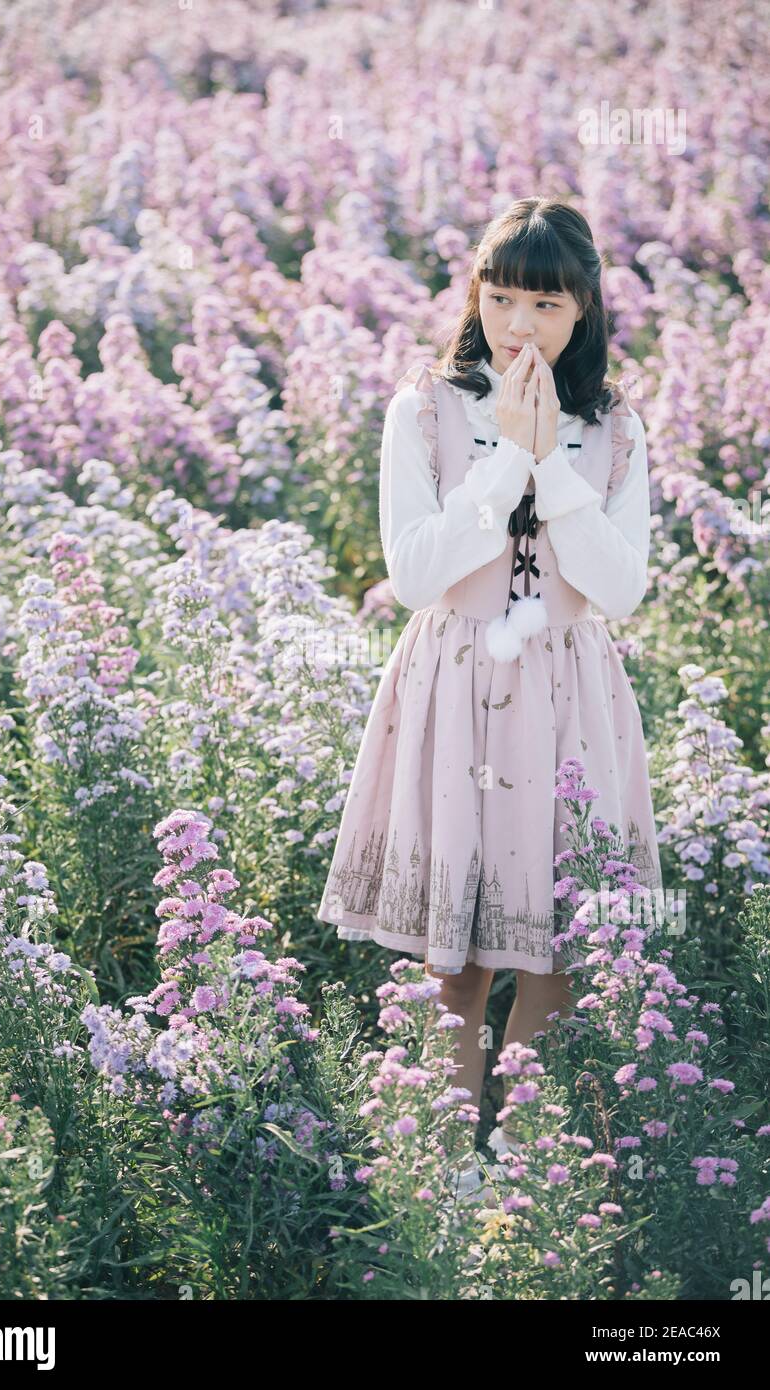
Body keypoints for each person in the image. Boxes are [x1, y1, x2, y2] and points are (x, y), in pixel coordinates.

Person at [317, 197, 663, 1153]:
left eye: (545, 306)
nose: (519, 324)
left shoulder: (616, 428)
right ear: (476, 293)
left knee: (561, 952)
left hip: (567, 688)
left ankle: (520, 1159)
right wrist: (507, 455)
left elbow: (619, 589)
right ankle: (444, 1163)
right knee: (457, 957)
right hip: (455, 684)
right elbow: (416, 574)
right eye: (502, 297)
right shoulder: (423, 407)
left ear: (584, 308)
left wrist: (552, 468)